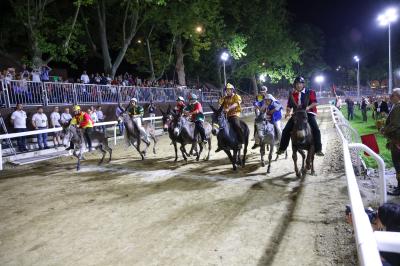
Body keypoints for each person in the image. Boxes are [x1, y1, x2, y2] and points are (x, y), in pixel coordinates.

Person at [277, 76, 324, 156]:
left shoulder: (310, 92)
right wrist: (288, 112)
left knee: (316, 129)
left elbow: (315, 103)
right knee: (286, 130)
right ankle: (282, 148)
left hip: (308, 114)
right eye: (297, 84)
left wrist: (308, 108)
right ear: (295, 85)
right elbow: (289, 105)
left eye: (300, 84)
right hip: (296, 114)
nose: (299, 85)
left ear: (303, 84)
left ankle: (318, 149)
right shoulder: (292, 94)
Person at [382, 88, 400, 196]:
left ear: (397, 95)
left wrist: (384, 130)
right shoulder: (396, 106)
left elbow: (395, 125)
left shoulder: (398, 107)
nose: (390, 97)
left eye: (392, 95)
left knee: (398, 165)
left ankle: (399, 188)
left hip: (397, 140)